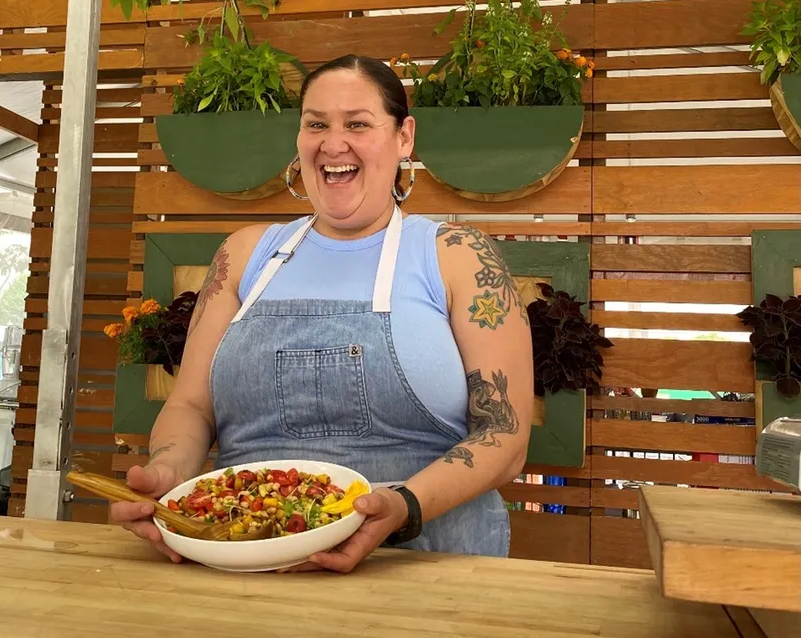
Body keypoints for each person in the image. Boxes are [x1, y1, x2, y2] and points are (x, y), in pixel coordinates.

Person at [111, 54, 534, 572]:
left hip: (427, 565)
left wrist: (402, 506)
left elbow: (504, 436)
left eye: (357, 123)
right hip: (248, 563)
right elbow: (192, 406)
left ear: (404, 138)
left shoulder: (458, 256)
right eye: (316, 125)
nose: (334, 145)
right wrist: (169, 472)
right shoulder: (245, 256)